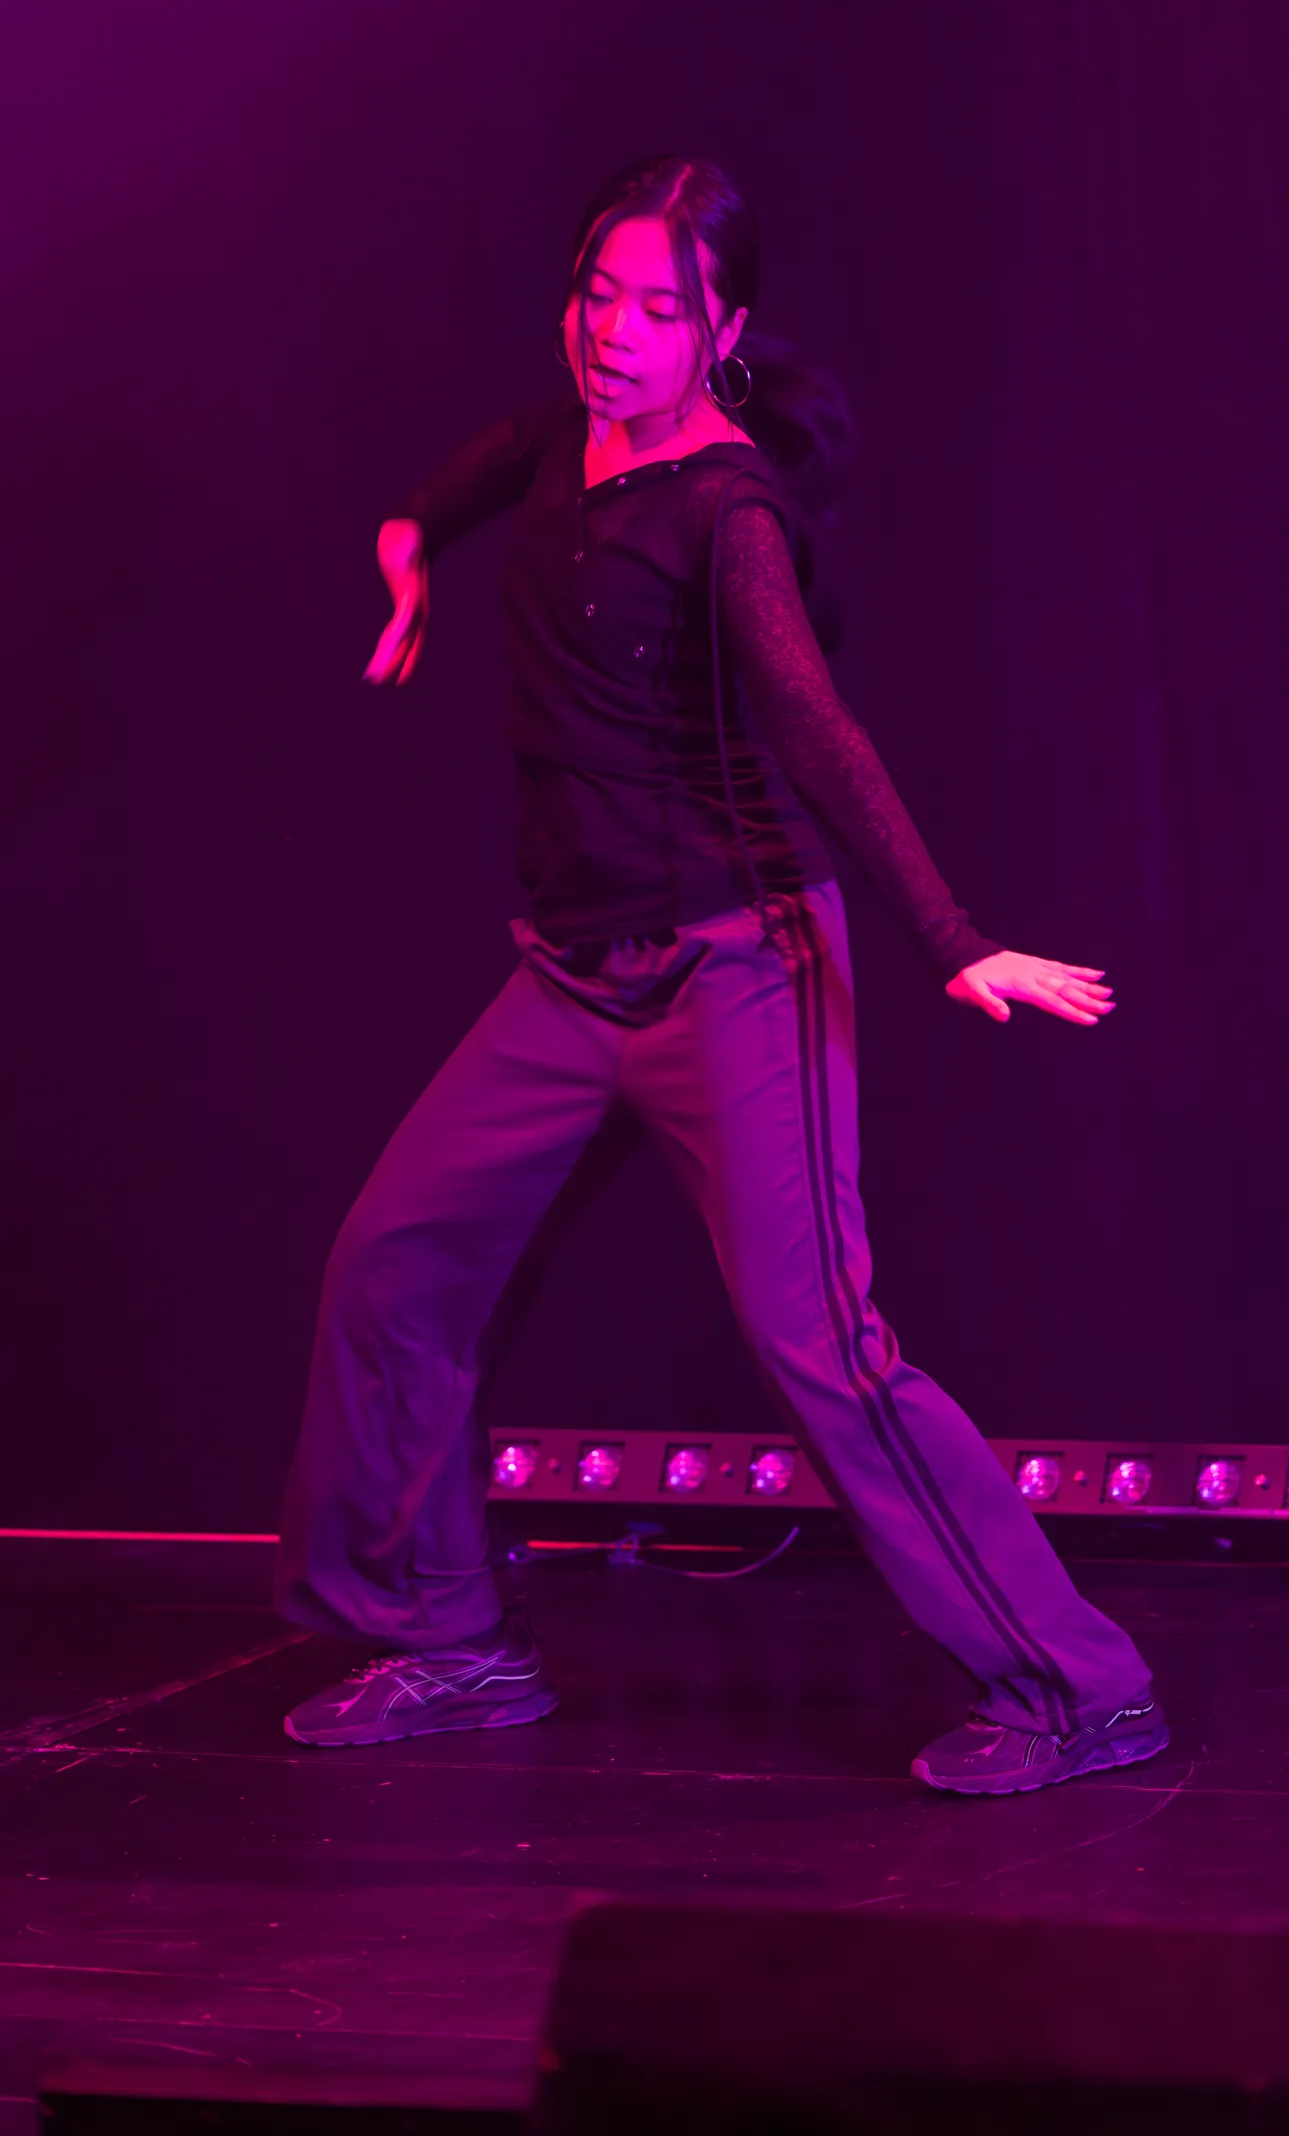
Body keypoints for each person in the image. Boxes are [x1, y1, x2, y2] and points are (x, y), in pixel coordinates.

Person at [275, 156, 1167, 1795]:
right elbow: (475, 472)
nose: (613, 333)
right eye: (596, 296)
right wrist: (410, 546)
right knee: (397, 1264)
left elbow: (816, 729)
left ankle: (1078, 1686)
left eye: (658, 310)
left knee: (819, 1336)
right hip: (571, 976)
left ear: (723, 332)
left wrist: (953, 940)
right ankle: (451, 1639)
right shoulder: (564, 436)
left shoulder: (726, 509)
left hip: (739, 960)